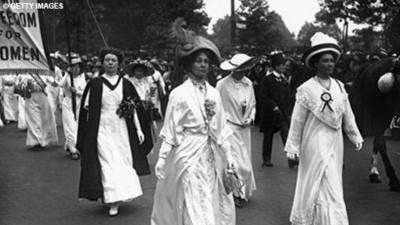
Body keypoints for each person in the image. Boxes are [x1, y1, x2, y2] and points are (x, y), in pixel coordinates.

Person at [151, 18, 236, 225]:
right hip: (187, 151)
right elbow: (171, 129)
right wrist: (162, 159)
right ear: (189, 64)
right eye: (199, 61)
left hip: (209, 151)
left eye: (206, 61)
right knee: (191, 195)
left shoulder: (214, 94)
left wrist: (229, 156)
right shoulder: (179, 94)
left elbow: (221, 129)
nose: (203, 65)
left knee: (209, 193)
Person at [284, 32, 363, 225]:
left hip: (335, 142)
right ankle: (313, 219)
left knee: (333, 180)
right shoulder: (306, 89)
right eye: (325, 60)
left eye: (331, 61)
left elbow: (348, 114)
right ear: (316, 63)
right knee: (319, 178)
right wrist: (292, 146)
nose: (329, 64)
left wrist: (354, 135)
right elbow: (297, 121)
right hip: (314, 141)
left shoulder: (339, 86)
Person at [76, 47, 153, 216]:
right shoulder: (95, 84)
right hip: (102, 128)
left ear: (119, 64)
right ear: (102, 63)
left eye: (114, 60)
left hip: (122, 129)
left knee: (122, 160)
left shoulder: (126, 84)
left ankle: (120, 195)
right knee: (106, 161)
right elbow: (87, 110)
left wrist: (139, 129)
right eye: (107, 60)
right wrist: (87, 135)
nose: (110, 63)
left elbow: (133, 108)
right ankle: (111, 199)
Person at [217, 53, 257, 208]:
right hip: (229, 127)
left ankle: (242, 190)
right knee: (236, 162)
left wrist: (251, 117)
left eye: (244, 70)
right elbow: (216, 105)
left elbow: (253, 103)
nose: (242, 73)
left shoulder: (249, 83)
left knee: (245, 161)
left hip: (244, 129)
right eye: (239, 70)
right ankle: (236, 193)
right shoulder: (222, 84)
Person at [259, 51, 296, 168]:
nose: (284, 67)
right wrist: (273, 105)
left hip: (282, 113)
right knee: (268, 137)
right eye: (282, 65)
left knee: (287, 135)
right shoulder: (268, 79)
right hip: (271, 113)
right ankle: (266, 159)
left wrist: (288, 111)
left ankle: (292, 160)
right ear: (276, 66)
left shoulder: (284, 80)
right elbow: (263, 95)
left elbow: (288, 97)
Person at [59, 57, 87, 160]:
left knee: (78, 125)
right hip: (68, 102)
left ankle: (72, 145)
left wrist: (77, 92)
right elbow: (60, 84)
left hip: (80, 102)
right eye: (73, 67)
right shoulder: (67, 77)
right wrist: (67, 74)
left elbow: (85, 92)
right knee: (69, 125)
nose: (76, 69)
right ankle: (73, 149)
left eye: (77, 67)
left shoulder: (83, 77)